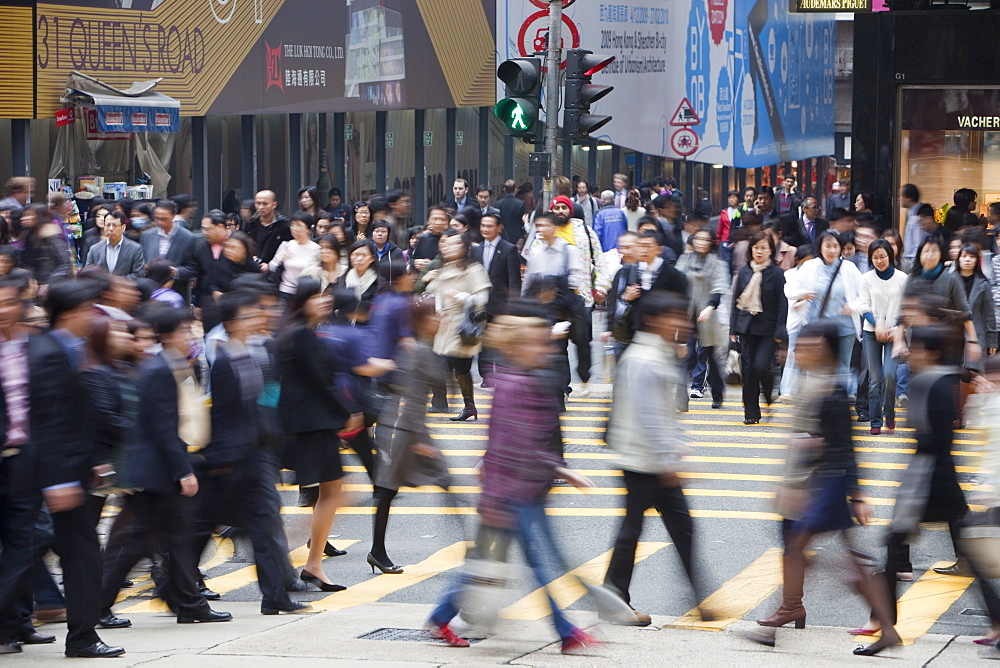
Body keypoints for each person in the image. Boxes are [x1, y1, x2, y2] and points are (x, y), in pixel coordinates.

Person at [425, 304, 599, 653]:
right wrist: (554, 470)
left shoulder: (520, 380)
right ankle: (565, 631)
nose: (545, 348)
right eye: (537, 343)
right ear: (518, 347)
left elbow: (525, 441)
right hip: (513, 494)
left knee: (497, 562)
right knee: (537, 562)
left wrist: (557, 468)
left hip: (523, 489)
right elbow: (508, 444)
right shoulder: (513, 384)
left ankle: (442, 616)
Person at [755, 320, 901, 657]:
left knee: (800, 547)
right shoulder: (817, 385)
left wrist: (857, 495)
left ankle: (789, 609)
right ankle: (886, 629)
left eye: (811, 347)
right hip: (824, 482)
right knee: (848, 560)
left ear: (828, 351)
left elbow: (846, 447)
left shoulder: (832, 391)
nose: (801, 353)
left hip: (829, 484)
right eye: (800, 347)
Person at [100, 304, 233, 628]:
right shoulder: (158, 369)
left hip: (163, 469)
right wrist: (183, 472)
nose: (191, 335)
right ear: (170, 334)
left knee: (178, 539)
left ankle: (190, 604)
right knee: (137, 543)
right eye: (186, 330)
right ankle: (96, 606)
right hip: (157, 472)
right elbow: (163, 427)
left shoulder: (171, 365)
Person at [192, 291, 312, 616]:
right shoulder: (223, 358)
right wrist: (221, 458)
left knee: (262, 526)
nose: (257, 319)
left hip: (254, 455)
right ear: (231, 323)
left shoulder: (252, 352)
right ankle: (179, 588)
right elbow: (221, 414)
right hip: (229, 461)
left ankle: (274, 597)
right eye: (248, 316)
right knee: (202, 528)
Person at [602, 291, 706, 624]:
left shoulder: (656, 353)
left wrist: (677, 448)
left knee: (664, 528)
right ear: (652, 320)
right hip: (644, 462)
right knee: (640, 529)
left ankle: (697, 599)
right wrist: (669, 460)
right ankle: (617, 597)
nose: (680, 322)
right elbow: (649, 416)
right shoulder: (646, 358)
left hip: (648, 459)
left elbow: (663, 415)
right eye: (673, 316)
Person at [277, 279, 363, 592]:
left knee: (334, 493)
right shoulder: (299, 335)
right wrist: (348, 412)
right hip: (311, 425)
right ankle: (284, 554)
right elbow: (320, 382)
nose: (324, 301)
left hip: (316, 423)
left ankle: (311, 564)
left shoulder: (305, 333)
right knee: (335, 494)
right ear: (301, 302)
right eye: (315, 297)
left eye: (325, 296)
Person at [369, 296, 449, 574]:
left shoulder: (422, 348)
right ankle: (377, 551)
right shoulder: (416, 351)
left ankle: (377, 551)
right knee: (388, 490)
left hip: (407, 429)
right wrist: (419, 441)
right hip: (402, 431)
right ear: (422, 321)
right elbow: (408, 398)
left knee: (394, 490)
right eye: (434, 314)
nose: (440, 319)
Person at [425, 229, 491, 421]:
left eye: (456, 243)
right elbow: (436, 292)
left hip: (463, 324)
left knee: (457, 366)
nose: (450, 247)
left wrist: (459, 295)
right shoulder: (443, 268)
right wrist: (438, 307)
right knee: (451, 365)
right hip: (445, 324)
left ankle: (466, 404)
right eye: (447, 243)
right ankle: (465, 405)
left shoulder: (473, 269)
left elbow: (482, 298)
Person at [789, 231, 862, 384]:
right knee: (816, 367)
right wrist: (802, 294)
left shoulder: (849, 268)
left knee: (842, 368)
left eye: (835, 246)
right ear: (820, 248)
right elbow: (789, 289)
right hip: (818, 326)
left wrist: (853, 306)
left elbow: (865, 293)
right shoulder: (810, 266)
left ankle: (840, 402)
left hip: (844, 326)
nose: (832, 250)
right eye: (828, 246)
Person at [731, 232, 787, 424]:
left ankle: (768, 394)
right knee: (748, 371)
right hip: (746, 327)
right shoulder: (745, 271)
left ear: (771, 250)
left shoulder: (777, 273)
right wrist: (732, 330)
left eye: (764, 247)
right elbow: (735, 301)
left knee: (762, 366)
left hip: (768, 330)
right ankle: (751, 413)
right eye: (756, 247)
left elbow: (782, 303)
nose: (759, 251)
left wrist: (781, 329)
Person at [857, 239, 907, 435]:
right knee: (875, 378)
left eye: (883, 257)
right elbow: (863, 305)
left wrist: (896, 327)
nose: (879, 261)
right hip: (871, 332)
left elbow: (906, 306)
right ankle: (876, 420)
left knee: (890, 375)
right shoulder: (866, 278)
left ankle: (890, 414)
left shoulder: (902, 278)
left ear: (890, 256)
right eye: (875, 257)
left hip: (895, 333)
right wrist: (876, 324)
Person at [676, 229, 728, 408]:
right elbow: (676, 282)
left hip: (707, 317)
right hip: (688, 316)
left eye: (705, 239)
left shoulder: (717, 264)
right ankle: (681, 398)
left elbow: (719, 288)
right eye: (698, 239)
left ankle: (718, 393)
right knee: (686, 357)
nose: (701, 242)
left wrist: (710, 306)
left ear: (711, 242)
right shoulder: (685, 260)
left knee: (710, 360)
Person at [471, 214, 521, 383]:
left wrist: (513, 306)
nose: (485, 229)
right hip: (480, 304)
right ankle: (486, 376)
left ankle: (500, 372)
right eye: (483, 225)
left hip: (500, 304)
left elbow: (514, 281)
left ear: (499, 227)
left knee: (500, 341)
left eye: (490, 226)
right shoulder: (476, 249)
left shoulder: (509, 249)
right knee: (483, 342)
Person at [15, 203, 70, 288]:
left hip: (49, 285)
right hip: (33, 284)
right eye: (23, 215)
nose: (23, 218)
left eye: (29, 215)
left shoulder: (51, 236)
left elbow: (65, 263)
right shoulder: (27, 234)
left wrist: (48, 283)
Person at [270, 212, 320, 301]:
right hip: (285, 292)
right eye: (292, 225)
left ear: (308, 229)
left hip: (306, 294)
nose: (294, 229)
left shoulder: (316, 249)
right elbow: (272, 266)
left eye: (299, 225)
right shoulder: (286, 245)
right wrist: (280, 259)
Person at [84, 211, 144, 279]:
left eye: (115, 225)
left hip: (123, 288)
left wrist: (115, 281)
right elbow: (88, 273)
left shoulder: (135, 248)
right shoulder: (94, 249)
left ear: (123, 228)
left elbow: (138, 274)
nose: (111, 229)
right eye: (108, 225)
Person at [335, 240, 381, 306]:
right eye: (355, 255)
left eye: (364, 255)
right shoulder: (340, 281)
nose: (359, 259)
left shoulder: (379, 284)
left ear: (372, 258)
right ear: (350, 257)